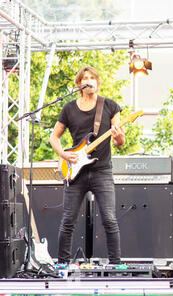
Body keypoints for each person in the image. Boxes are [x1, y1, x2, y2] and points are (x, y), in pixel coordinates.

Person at [50, 66, 125, 265]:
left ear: (97, 82)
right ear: (79, 84)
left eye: (93, 77)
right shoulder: (68, 108)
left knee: (109, 220)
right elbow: (54, 136)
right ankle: (62, 265)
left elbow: (119, 142)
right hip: (75, 171)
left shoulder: (109, 105)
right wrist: (63, 154)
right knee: (68, 221)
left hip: (102, 171)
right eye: (86, 78)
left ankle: (116, 265)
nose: (90, 80)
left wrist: (118, 136)